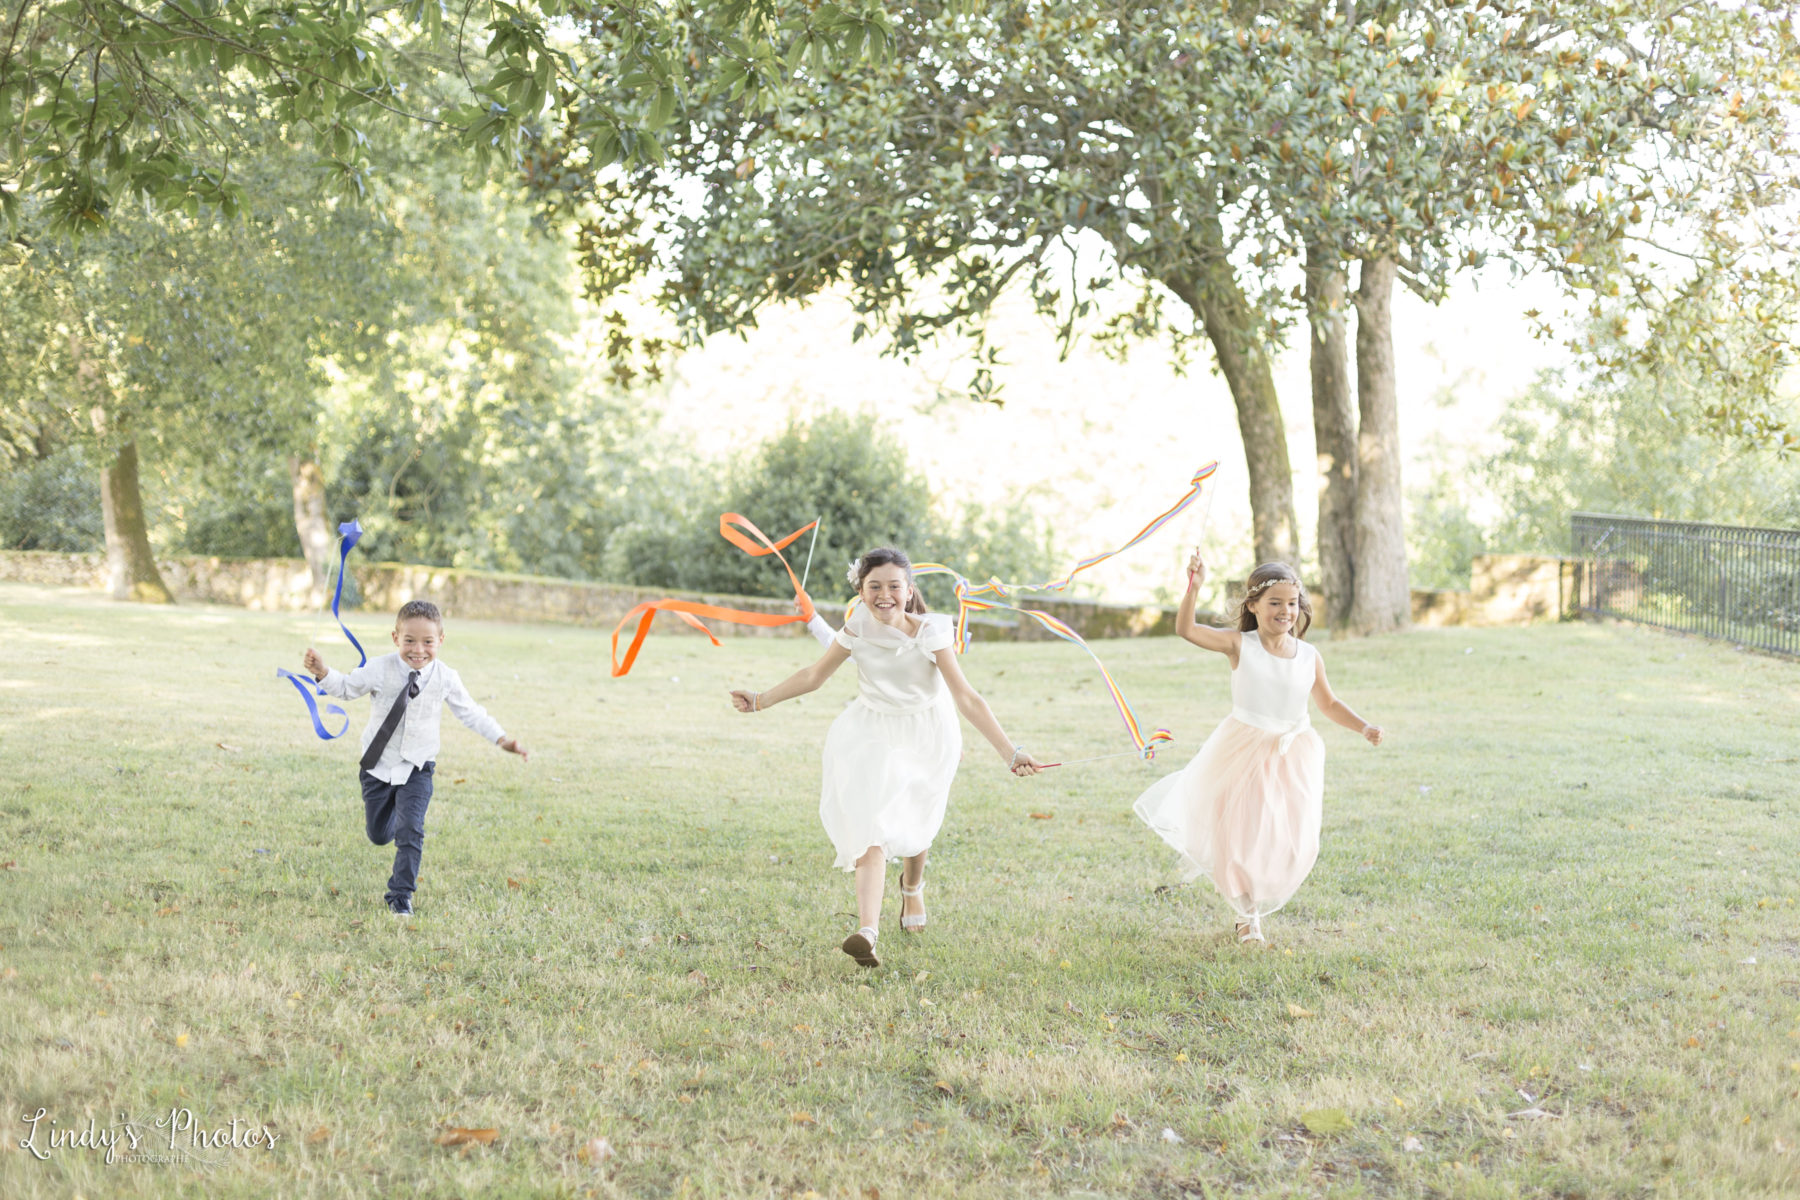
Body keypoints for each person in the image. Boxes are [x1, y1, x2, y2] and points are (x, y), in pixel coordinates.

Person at [731, 546, 1042, 968]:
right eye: (874, 586)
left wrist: (1010, 752)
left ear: (909, 591)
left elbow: (967, 698)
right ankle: (867, 932)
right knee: (872, 822)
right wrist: (760, 699)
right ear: (860, 592)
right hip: (872, 732)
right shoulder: (857, 627)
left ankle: (912, 887)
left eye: (894, 586)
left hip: (928, 732)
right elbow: (814, 675)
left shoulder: (931, 632)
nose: (884, 595)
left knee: (917, 818)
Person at [1134, 553, 1382, 943]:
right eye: (1275, 603)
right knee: (1242, 834)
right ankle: (1248, 915)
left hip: (1294, 754)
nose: (1286, 611)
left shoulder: (1309, 656)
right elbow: (1186, 629)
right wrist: (1194, 587)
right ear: (1253, 606)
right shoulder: (1239, 645)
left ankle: (1261, 895)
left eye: (1292, 603)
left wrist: (1363, 726)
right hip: (1244, 750)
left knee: (1289, 837)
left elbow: (1329, 703)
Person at [302, 599, 527, 917]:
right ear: (396, 638)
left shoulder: (446, 677)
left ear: (441, 640)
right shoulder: (379, 668)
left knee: (412, 830)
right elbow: (347, 688)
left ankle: (400, 896)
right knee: (378, 835)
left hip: (418, 767)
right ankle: (397, 818)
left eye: (427, 642)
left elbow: (471, 712)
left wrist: (502, 739)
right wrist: (323, 672)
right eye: (409, 640)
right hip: (378, 766)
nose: (418, 650)